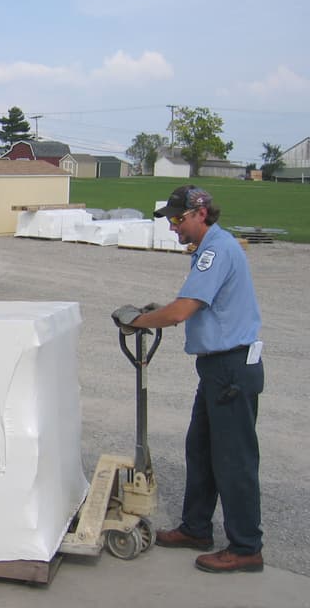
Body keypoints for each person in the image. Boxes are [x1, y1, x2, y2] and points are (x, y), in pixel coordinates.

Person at [112, 184, 265, 573]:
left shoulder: (215, 250)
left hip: (231, 368)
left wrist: (138, 321)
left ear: (201, 214)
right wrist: (154, 312)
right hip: (217, 370)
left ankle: (246, 546)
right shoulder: (211, 250)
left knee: (233, 460)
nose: (174, 227)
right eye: (171, 220)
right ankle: (196, 528)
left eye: (179, 219)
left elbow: (182, 311)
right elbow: (188, 306)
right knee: (201, 451)